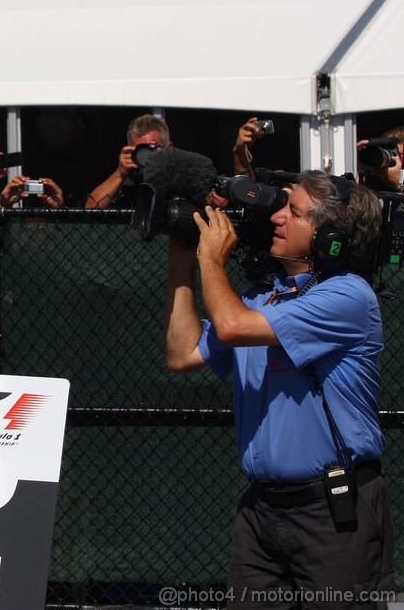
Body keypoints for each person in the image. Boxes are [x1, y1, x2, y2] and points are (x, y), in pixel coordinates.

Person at [162, 172, 393, 604]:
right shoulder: (261, 299)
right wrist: (183, 262)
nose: (277, 217)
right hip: (262, 511)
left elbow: (230, 327)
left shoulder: (348, 297)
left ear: (330, 238)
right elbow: (182, 355)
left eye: (294, 212)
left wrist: (212, 262)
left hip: (332, 510)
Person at [85, 113, 171, 208]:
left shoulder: (179, 180)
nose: (146, 156)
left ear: (169, 148)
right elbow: (90, 208)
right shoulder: (125, 185)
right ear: (130, 151)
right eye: (140, 151)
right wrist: (120, 174)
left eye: (151, 148)